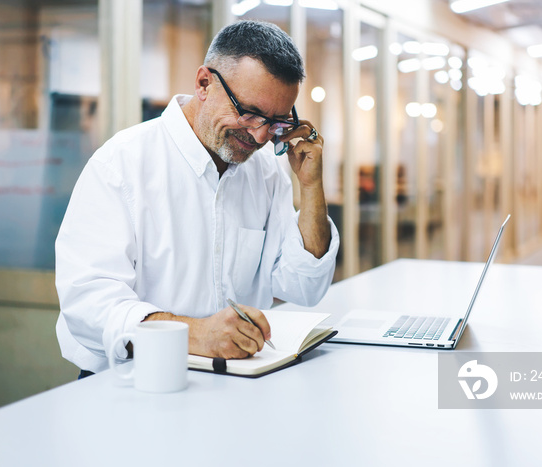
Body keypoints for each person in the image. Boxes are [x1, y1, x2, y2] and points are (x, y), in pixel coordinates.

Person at [55, 20, 340, 375]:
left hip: (234, 383)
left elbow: (303, 286)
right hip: (131, 383)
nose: (262, 135)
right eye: (250, 112)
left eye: (277, 121)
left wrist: (311, 187)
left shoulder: (265, 171)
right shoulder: (121, 165)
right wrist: (198, 334)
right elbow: (88, 305)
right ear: (204, 83)